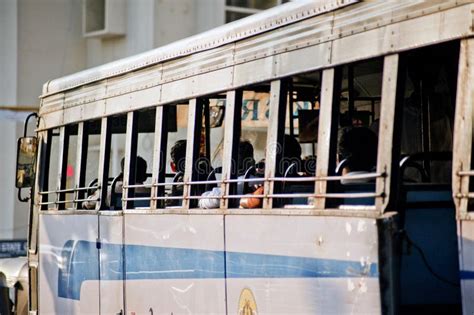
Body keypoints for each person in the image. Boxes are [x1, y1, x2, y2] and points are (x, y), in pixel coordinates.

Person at [199, 140, 256, 209]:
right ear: (252, 161)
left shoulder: (237, 184)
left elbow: (207, 201)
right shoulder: (260, 181)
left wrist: (205, 195)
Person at [83, 156, 149, 209]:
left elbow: (87, 204)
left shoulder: (109, 191)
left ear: (121, 175)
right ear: (145, 177)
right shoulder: (151, 193)